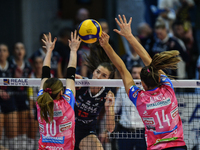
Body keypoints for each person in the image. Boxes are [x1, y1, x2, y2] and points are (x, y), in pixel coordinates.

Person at [100, 15, 187, 150]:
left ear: (143, 84)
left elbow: (122, 69)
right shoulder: (168, 89)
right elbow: (147, 58)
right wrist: (129, 36)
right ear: (159, 78)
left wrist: (106, 46)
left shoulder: (140, 98)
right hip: (178, 146)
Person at [36, 31, 81, 149]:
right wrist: (73, 50)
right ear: (61, 92)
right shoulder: (67, 102)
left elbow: (45, 74)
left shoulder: (40, 101)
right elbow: (71, 74)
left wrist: (48, 50)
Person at [74, 44, 115, 150]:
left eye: (104, 76)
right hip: (67, 128)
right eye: (97, 72)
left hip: (86, 133)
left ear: (108, 81)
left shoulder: (107, 94)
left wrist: (108, 108)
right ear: (93, 72)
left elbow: (110, 128)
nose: (98, 76)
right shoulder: (81, 83)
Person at [115, 64, 147, 150]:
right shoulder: (122, 90)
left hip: (142, 132)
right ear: (131, 74)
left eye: (139, 73)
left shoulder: (147, 91)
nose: (136, 75)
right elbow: (114, 110)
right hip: (125, 131)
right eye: (134, 72)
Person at [11, 42, 32, 149]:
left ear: (24, 51)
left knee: (24, 131)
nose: (19, 51)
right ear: (14, 51)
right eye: (17, 48)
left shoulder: (28, 66)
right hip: (11, 98)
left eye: (22, 48)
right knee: (13, 131)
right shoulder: (10, 64)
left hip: (24, 98)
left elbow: (30, 87)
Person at [0, 44, 18, 150]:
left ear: (8, 53)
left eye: (4, 50)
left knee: (13, 137)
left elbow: (18, 87)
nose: (1, 53)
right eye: (0, 50)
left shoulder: (12, 67)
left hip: (10, 102)